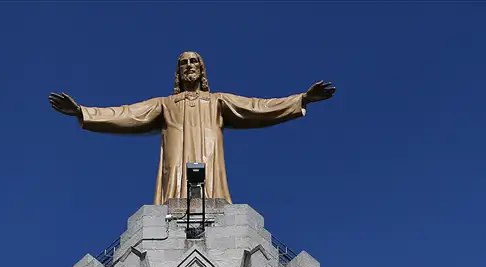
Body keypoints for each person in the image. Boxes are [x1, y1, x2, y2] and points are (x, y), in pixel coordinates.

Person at [49, 51, 335, 204]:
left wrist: (302, 98)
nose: (189, 66)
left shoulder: (218, 101)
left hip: (210, 154)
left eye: (193, 62)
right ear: (178, 71)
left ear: (202, 69)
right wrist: (83, 111)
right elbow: (128, 114)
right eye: (183, 63)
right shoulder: (165, 103)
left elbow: (257, 107)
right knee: (175, 180)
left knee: (209, 179)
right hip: (175, 158)